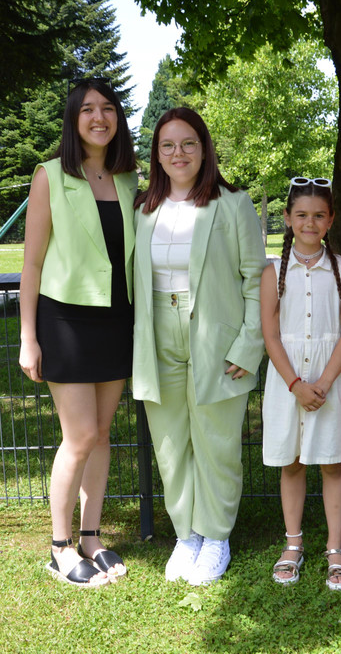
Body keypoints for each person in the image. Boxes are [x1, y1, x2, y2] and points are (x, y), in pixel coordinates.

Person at [132, 107, 266, 586]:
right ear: (156, 155)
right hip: (157, 334)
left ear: (204, 148)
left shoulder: (233, 204)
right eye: (168, 145)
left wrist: (248, 346)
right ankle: (186, 535)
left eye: (188, 143)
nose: (179, 153)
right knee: (170, 444)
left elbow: (256, 279)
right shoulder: (143, 209)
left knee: (217, 442)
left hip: (216, 336)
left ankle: (216, 536)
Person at [18, 77, 137, 588]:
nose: (99, 117)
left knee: (103, 434)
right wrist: (28, 336)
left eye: (108, 108)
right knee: (81, 435)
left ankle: (91, 536)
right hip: (65, 320)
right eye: (88, 109)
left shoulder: (128, 179)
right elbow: (31, 263)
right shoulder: (49, 176)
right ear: (73, 119)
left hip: (116, 319)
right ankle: (59, 547)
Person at [260, 177, 341, 590]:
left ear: (331, 219)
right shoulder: (272, 272)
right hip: (288, 382)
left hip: (330, 379)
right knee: (293, 462)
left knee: (333, 463)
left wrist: (324, 381)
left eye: (319, 215)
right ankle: (293, 543)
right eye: (301, 215)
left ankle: (335, 547)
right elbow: (270, 334)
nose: (309, 223)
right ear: (287, 218)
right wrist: (296, 384)